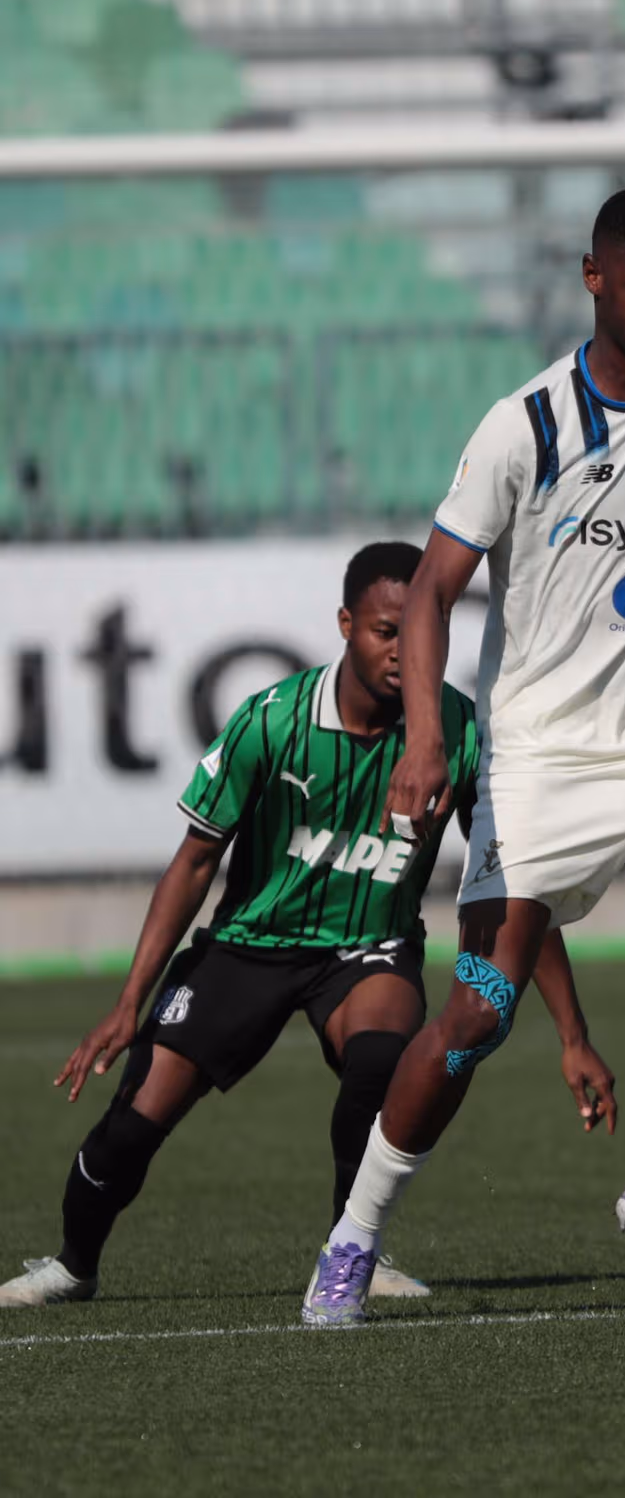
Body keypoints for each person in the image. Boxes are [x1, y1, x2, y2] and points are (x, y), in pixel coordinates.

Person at [300, 185, 625, 1327]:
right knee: (480, 1015)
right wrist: (433, 735)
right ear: (592, 277)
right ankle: (351, 1240)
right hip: (541, 762)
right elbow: (437, 587)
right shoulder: (525, 425)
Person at [0, 542, 517, 1307]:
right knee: (135, 1123)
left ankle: (351, 1253)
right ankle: (75, 1264)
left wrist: (530, 1007)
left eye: (418, 631)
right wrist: (127, 1001)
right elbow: (194, 862)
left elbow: (501, 875)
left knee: (379, 1066)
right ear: (345, 624)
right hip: (247, 945)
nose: (404, 652)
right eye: (384, 630)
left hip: (367, 946)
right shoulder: (271, 722)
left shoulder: (459, 733)